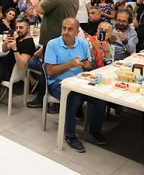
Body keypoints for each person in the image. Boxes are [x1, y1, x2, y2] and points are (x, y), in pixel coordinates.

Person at [44, 17, 107, 151]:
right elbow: (50, 71)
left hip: (79, 82)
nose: (66, 32)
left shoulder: (83, 44)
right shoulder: (52, 44)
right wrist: (70, 64)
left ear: (77, 32)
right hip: (58, 82)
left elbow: (87, 64)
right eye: (64, 28)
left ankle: (94, 130)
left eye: (70, 29)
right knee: (73, 96)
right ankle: (70, 135)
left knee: (101, 98)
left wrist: (87, 65)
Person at [28, 0, 79, 109]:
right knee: (61, 70)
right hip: (65, 39)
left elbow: (39, 8)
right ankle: (56, 101)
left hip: (52, 39)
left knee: (47, 70)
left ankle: (41, 98)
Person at [0, 18, 36, 104]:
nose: (18, 30)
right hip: (5, 66)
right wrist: (6, 42)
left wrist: (15, 49)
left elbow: (22, 65)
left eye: (21, 28)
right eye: (17, 28)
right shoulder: (19, 39)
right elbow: (4, 50)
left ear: (28, 28)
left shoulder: (29, 44)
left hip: (10, 72)